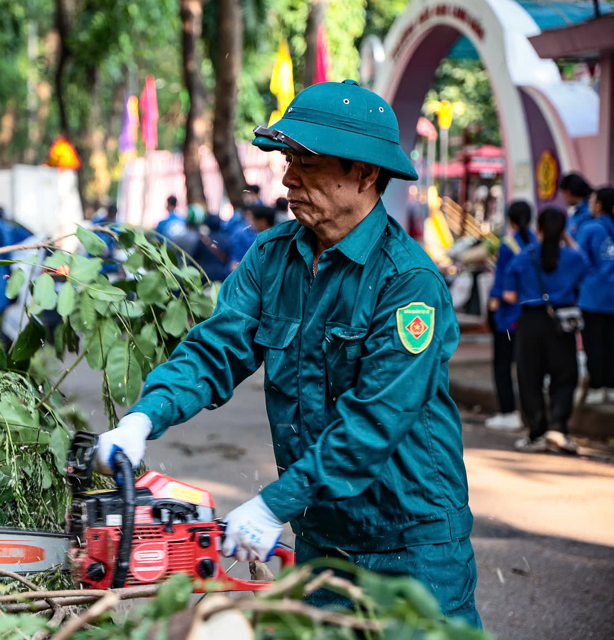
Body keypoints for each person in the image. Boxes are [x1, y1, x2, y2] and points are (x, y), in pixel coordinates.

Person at [94, 80, 479, 626]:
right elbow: (216, 350)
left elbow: (374, 423)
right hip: (321, 534)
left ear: (366, 174)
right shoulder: (273, 256)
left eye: (308, 162)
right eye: (287, 158)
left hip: (411, 542)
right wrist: (141, 418)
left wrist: (274, 503)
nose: (288, 175)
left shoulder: (408, 283)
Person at [503, 208, 587, 453]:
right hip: (562, 322)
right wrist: (567, 239)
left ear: (537, 228)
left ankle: (537, 432)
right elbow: (585, 265)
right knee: (565, 376)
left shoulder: (523, 256)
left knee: (530, 378)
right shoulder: (572, 257)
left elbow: (509, 295)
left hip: (530, 322)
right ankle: (558, 429)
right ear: (562, 230)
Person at [484, 201, 535, 430]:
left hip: (507, 318)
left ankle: (508, 413)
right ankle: (531, 414)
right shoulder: (536, 242)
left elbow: (501, 280)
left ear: (511, 220)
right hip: (529, 316)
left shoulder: (507, 245)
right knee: (526, 366)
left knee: (502, 365)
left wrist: (493, 301)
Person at [576, 187, 614, 404]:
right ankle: (610, 385)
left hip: (593, 297)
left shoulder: (590, 228)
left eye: (592, 200)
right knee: (611, 343)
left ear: (599, 205)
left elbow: (579, 261)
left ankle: (597, 386)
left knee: (594, 344)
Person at [559, 173, 593, 239]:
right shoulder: (575, 213)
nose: (562, 197)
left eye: (562, 193)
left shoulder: (590, 212)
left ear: (568, 192)